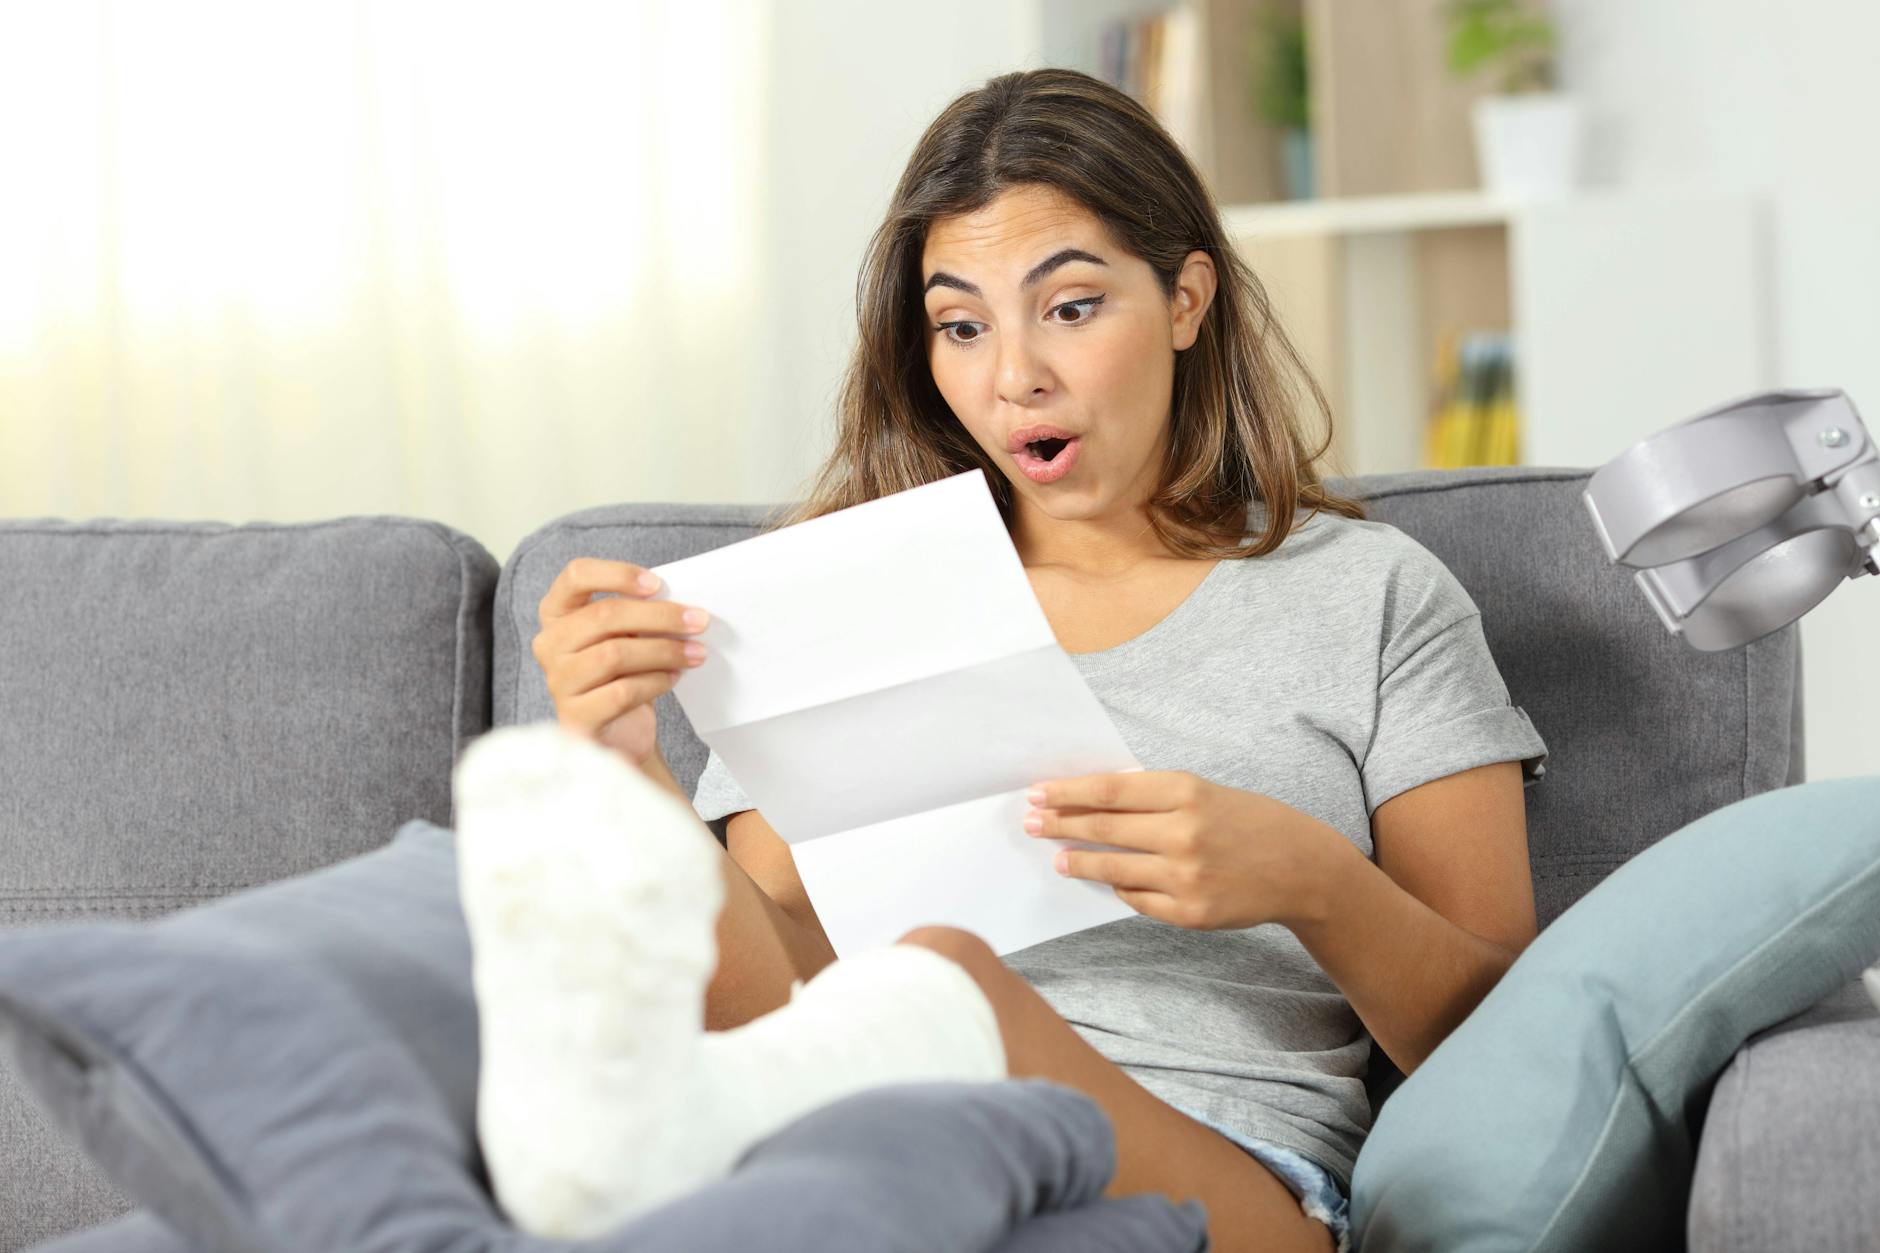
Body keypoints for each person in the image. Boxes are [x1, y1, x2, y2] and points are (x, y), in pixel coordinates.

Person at [471, 66, 1550, 1253]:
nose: (1012, 375)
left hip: (1232, 1180)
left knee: (943, 987)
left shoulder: (1370, 594)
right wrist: (627, 770)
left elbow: (1510, 1050)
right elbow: (772, 999)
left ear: (1187, 297)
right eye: (961, 324)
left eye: (1071, 306)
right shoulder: (841, 599)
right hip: (875, 1145)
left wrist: (1310, 879)